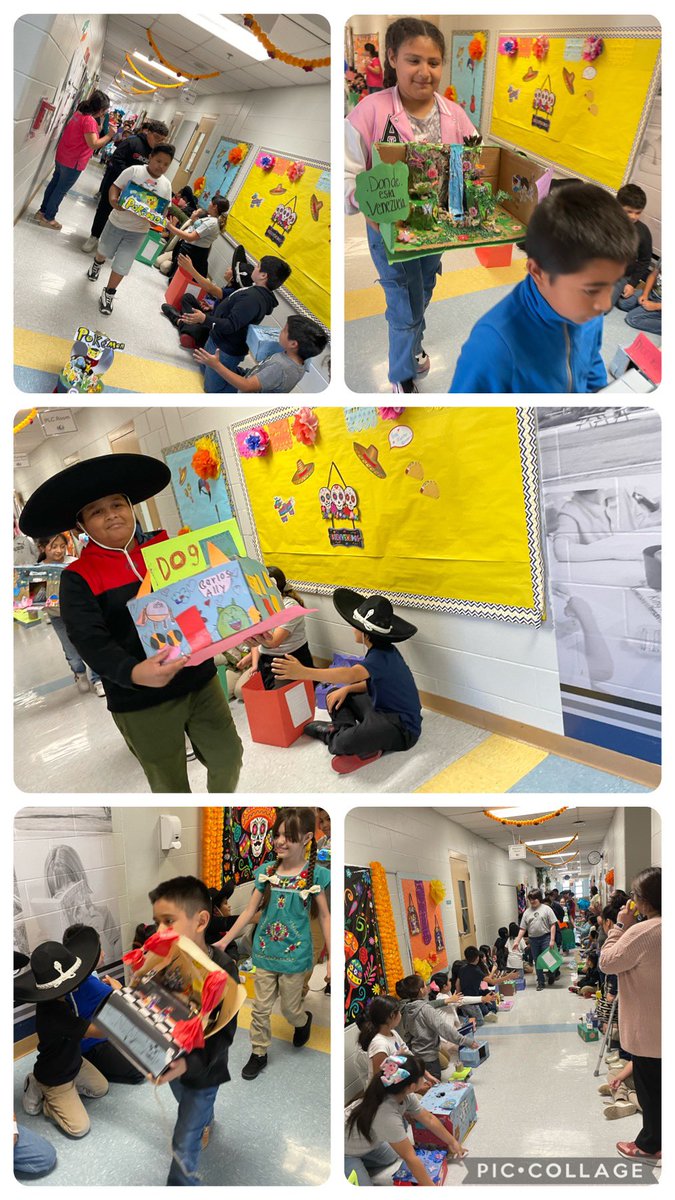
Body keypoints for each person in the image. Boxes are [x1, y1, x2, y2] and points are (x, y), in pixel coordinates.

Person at [18, 453, 244, 793]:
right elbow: (89, 640)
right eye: (97, 511)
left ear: (131, 507)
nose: (111, 515)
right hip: (139, 699)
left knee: (229, 756)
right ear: (81, 526)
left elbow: (212, 601)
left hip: (199, 680)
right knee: (169, 784)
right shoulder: (79, 577)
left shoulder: (168, 550)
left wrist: (252, 626)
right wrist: (134, 672)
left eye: (117, 504)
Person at [345, 17, 477, 393]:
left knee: (422, 292)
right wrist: (366, 203)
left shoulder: (455, 115)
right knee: (404, 306)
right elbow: (346, 176)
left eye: (433, 63)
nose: (425, 72)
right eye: (413, 60)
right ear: (392, 58)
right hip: (390, 234)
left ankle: (413, 347)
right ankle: (401, 374)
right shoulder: (368, 112)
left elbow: (474, 164)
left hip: (435, 232)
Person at [450, 183, 638, 393]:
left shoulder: (588, 313)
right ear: (538, 272)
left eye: (612, 283)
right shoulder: (492, 349)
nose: (604, 304)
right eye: (591, 290)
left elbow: (591, 361)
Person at [213, 808, 331, 1081]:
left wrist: (334, 959)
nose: (279, 841)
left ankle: (303, 1021)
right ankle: (258, 1052)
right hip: (265, 951)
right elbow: (247, 911)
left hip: (295, 955)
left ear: (307, 838)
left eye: (288, 836)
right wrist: (224, 940)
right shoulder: (266, 872)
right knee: (261, 1009)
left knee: (290, 1009)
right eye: (277, 834)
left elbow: (325, 915)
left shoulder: (316, 876)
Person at [148, 875, 241, 1185]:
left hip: (204, 1070)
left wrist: (187, 1063)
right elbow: (156, 1008)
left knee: (183, 1143)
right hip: (171, 1060)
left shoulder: (223, 968)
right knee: (183, 1099)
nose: (159, 931)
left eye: (169, 921)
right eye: (157, 922)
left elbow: (223, 1035)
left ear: (201, 921)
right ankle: (205, 1119)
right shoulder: (166, 960)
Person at [272, 588, 422, 774]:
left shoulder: (380, 658)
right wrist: (347, 690)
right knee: (335, 693)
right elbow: (372, 683)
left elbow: (350, 675)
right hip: (380, 709)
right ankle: (351, 733)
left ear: (365, 633)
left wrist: (303, 672)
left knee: (339, 744)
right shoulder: (381, 651)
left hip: (401, 728)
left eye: (354, 626)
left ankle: (338, 736)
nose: (352, 629)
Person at [16, 927, 109, 1137]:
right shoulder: (54, 1014)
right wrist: (125, 1008)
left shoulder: (61, 999)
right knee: (79, 1128)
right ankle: (44, 1092)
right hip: (56, 1077)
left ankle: (66, 1094)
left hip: (74, 1062)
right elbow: (97, 1031)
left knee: (101, 1088)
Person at [600, 867, 661, 1163]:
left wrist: (620, 927)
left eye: (636, 895)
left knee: (651, 1090)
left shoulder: (643, 931)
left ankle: (650, 1145)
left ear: (646, 901)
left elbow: (608, 962)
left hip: (650, 1031)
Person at [344, 1053, 468, 1184]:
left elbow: (428, 1118)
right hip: (343, 1151)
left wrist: (452, 1141)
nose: (425, 1080)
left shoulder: (404, 1094)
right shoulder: (386, 1116)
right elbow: (410, 1158)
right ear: (413, 1086)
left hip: (365, 1142)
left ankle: (358, 1161)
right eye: (422, 1077)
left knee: (391, 1157)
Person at [87, 143, 175, 316]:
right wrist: (113, 201)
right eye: (158, 161)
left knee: (123, 263)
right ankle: (97, 264)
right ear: (150, 157)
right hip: (117, 222)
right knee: (103, 250)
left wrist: (157, 218)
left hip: (138, 231)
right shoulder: (134, 171)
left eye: (166, 164)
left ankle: (109, 293)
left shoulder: (166, 185)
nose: (161, 166)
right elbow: (115, 186)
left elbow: (164, 208)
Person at [182, 256, 292, 393]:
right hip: (218, 338)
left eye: (258, 266)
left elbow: (230, 325)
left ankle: (247, 385)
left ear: (263, 275)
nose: (255, 267)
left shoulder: (253, 299)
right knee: (203, 367)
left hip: (226, 348)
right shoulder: (253, 291)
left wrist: (204, 319)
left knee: (211, 389)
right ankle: (237, 372)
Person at [82, 118, 169, 252]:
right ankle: (94, 237)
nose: (158, 142)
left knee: (124, 216)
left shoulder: (157, 153)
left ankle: (109, 244)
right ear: (148, 132)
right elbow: (116, 159)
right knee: (104, 210)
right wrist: (130, 176)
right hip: (116, 184)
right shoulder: (132, 142)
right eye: (156, 137)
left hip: (136, 193)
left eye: (162, 140)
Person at [35, 91, 114, 230]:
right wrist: (109, 135)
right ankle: (49, 218)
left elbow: (90, 132)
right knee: (60, 190)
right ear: (101, 109)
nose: (105, 113)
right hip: (74, 162)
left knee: (54, 184)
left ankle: (42, 212)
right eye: (104, 110)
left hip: (63, 156)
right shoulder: (89, 120)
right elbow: (93, 144)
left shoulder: (79, 113)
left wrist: (100, 123)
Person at [35, 533, 104, 696]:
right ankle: (79, 673)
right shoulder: (38, 570)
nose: (59, 551)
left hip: (79, 612)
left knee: (90, 642)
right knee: (70, 649)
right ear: (42, 548)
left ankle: (98, 678)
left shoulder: (73, 563)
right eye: (53, 547)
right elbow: (38, 599)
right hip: (57, 616)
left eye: (62, 546)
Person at [193, 314, 328, 393]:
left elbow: (247, 386)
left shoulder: (280, 367)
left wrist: (217, 365)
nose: (280, 331)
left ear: (294, 344)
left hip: (246, 389)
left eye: (284, 330)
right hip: (251, 375)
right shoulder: (301, 360)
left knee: (210, 378)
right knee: (206, 364)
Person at [395, 973, 478, 1077]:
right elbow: (443, 1028)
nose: (428, 987)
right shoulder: (425, 1009)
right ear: (421, 990)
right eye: (425, 985)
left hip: (417, 1051)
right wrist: (465, 1041)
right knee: (434, 1083)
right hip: (428, 1055)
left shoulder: (407, 1008)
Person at [254, 567, 314, 690]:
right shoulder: (259, 604)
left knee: (281, 697)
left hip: (289, 658)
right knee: (243, 691)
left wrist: (253, 635)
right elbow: (256, 641)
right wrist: (254, 663)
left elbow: (274, 642)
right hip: (266, 659)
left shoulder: (290, 606)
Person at [160, 197, 230, 280]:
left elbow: (190, 238)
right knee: (172, 274)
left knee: (177, 279)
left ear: (215, 206)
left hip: (193, 252)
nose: (208, 203)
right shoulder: (209, 218)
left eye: (211, 202)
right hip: (186, 249)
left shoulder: (212, 223)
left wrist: (170, 226)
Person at [612, 184, 653, 310]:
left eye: (638, 213)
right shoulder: (606, 222)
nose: (633, 216)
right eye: (628, 211)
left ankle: (637, 293)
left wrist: (632, 283)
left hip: (622, 276)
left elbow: (644, 260)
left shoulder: (643, 232)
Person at [511, 889, 558, 991]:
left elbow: (553, 924)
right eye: (530, 899)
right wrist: (517, 940)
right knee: (537, 961)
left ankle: (551, 974)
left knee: (548, 958)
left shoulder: (547, 909)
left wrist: (552, 939)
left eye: (534, 899)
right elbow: (523, 928)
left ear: (539, 898)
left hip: (546, 937)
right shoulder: (527, 912)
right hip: (533, 939)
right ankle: (540, 982)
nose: (532, 901)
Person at [622, 263, 662, 336]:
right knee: (624, 304)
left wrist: (657, 306)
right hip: (654, 293)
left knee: (632, 319)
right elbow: (653, 274)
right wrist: (645, 294)